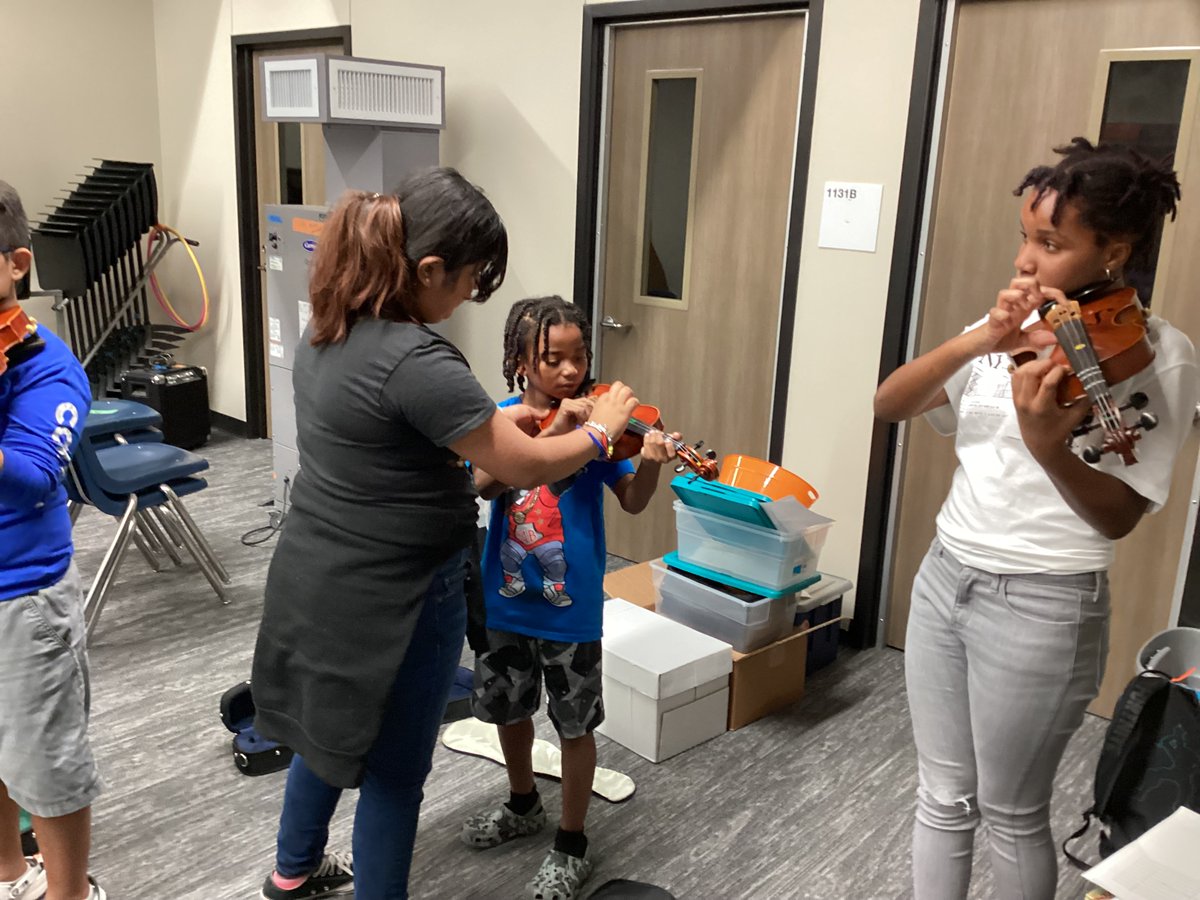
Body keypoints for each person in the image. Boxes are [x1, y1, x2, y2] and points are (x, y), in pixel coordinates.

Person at [251, 170, 638, 900]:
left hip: (314, 577)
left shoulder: (329, 329)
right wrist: (598, 429)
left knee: (324, 739)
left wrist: (502, 429)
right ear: (428, 270)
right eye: (465, 282)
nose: (465, 298)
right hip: (396, 597)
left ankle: (292, 874)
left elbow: (421, 439)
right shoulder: (418, 357)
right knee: (396, 776)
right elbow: (523, 463)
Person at [874, 137, 1198, 899]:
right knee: (941, 797)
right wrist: (984, 337)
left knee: (1009, 811)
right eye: (1025, 236)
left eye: (1051, 244)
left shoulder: (1157, 354)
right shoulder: (1004, 328)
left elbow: (1119, 518)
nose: (1026, 260)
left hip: (1045, 602)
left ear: (1113, 251)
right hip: (944, 575)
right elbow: (891, 403)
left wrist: (1052, 448)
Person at [461, 296, 678, 900]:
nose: (569, 371)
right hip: (504, 601)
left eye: (578, 357)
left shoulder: (604, 434)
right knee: (508, 711)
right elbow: (481, 484)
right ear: (519, 361)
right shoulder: (502, 418)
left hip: (572, 608)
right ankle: (523, 802)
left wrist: (654, 461)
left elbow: (632, 499)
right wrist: (557, 433)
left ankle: (572, 841)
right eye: (552, 358)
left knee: (575, 725)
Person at [0, 180, 103, 900]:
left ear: (15, 263)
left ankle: (69, 895)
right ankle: (9, 872)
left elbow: (35, 477)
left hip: (22, 599)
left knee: (47, 762)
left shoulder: (47, 364)